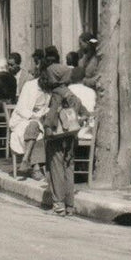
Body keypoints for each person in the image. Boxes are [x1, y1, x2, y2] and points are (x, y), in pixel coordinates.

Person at [41, 63, 92, 216]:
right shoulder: (70, 93)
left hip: (56, 138)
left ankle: (59, 206)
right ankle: (70, 205)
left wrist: (46, 126)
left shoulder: (57, 93)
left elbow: (51, 117)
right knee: (68, 169)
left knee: (56, 170)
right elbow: (85, 113)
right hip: (71, 137)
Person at [9, 62, 48, 180]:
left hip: (41, 119)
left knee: (36, 126)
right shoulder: (29, 86)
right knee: (35, 128)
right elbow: (21, 108)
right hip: (23, 119)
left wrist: (40, 115)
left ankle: (26, 159)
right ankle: (36, 169)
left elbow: (49, 107)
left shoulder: (50, 89)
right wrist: (33, 116)